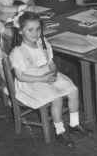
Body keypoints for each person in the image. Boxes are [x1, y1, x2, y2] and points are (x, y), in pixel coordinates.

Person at [10, 12, 90, 147]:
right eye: (30, 30)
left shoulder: (43, 43)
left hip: (47, 75)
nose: (35, 33)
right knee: (57, 98)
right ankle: (60, 131)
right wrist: (42, 78)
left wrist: (53, 72)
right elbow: (20, 76)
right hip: (31, 82)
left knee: (73, 90)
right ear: (20, 31)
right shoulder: (18, 51)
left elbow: (51, 62)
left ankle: (74, 123)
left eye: (38, 29)